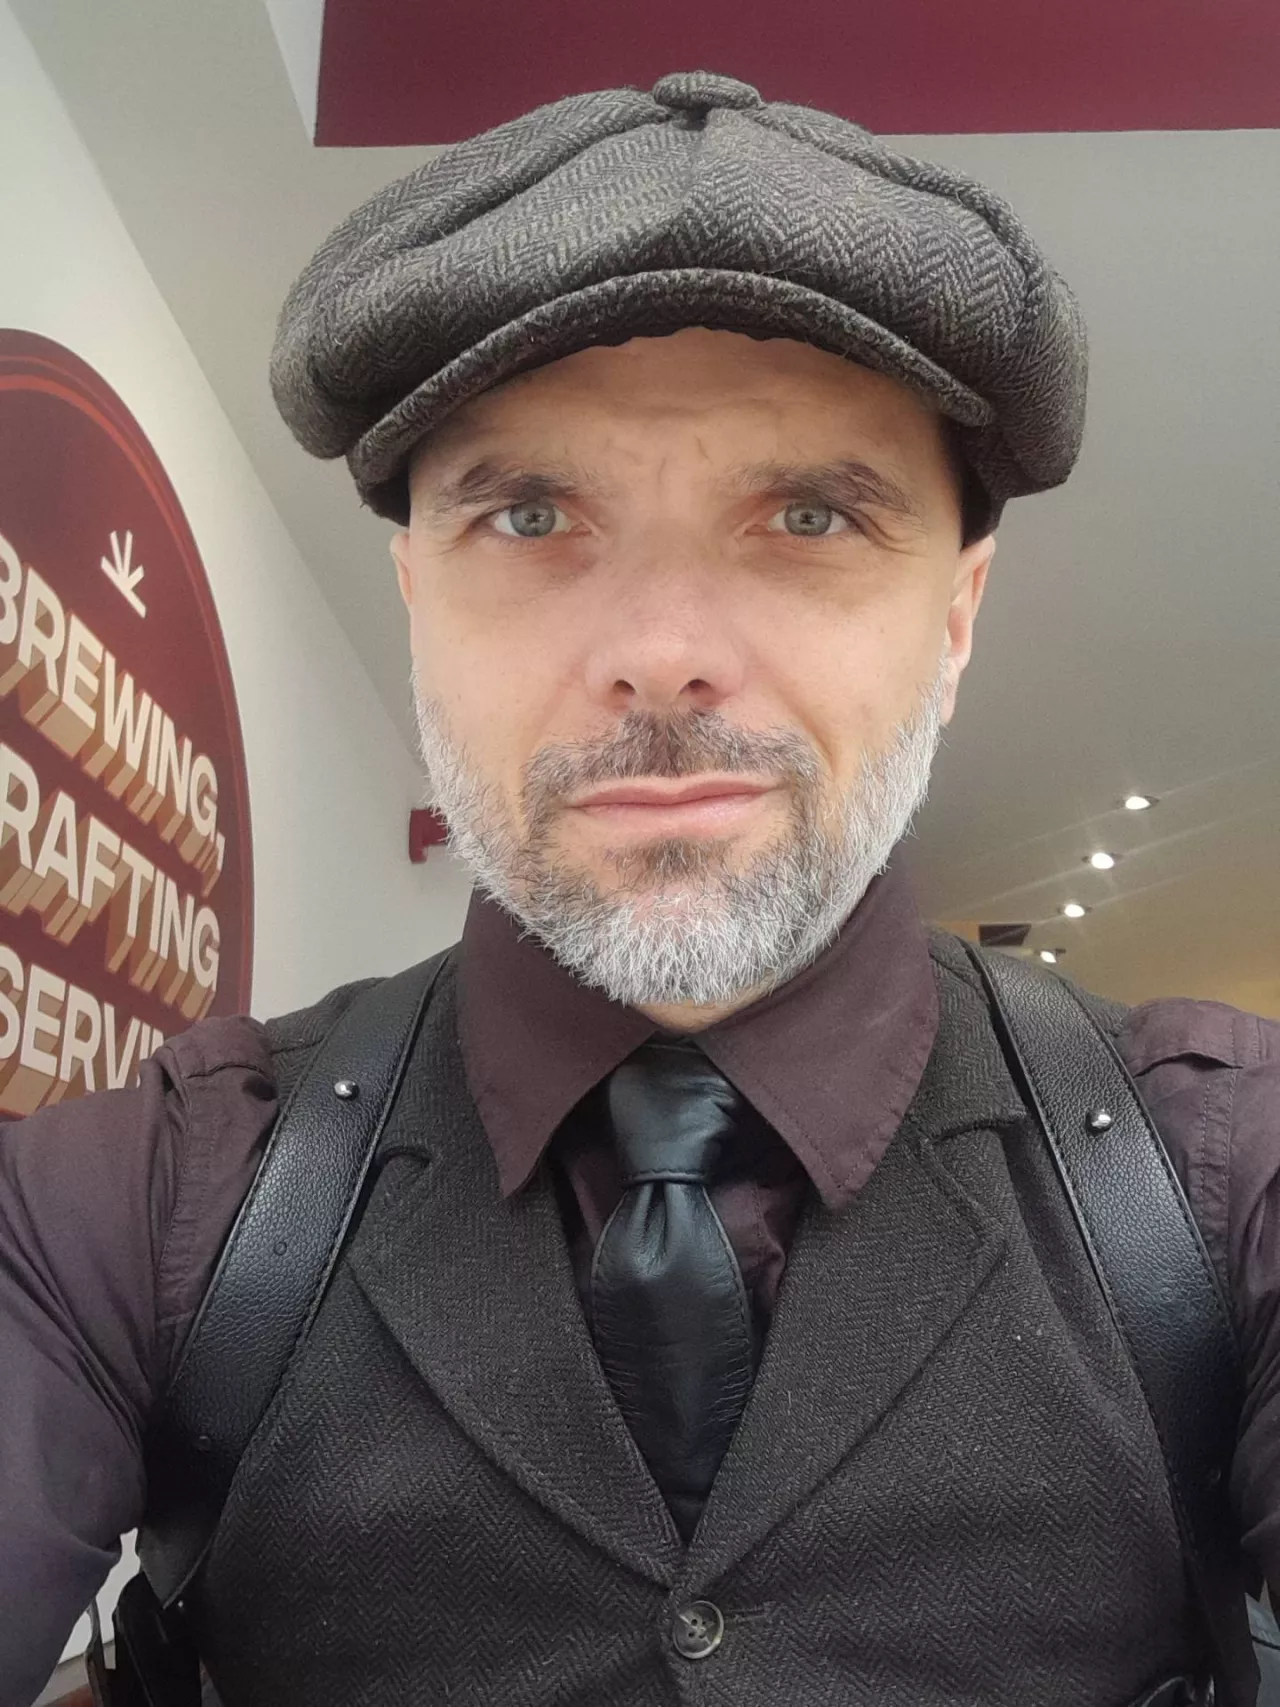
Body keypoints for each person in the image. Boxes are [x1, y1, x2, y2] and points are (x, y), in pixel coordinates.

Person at [2, 68, 1278, 1707]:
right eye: (531, 513)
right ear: (415, 599)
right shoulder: (154, 1194)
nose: (663, 652)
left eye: (809, 512)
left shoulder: (1217, 1178)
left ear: (957, 618)